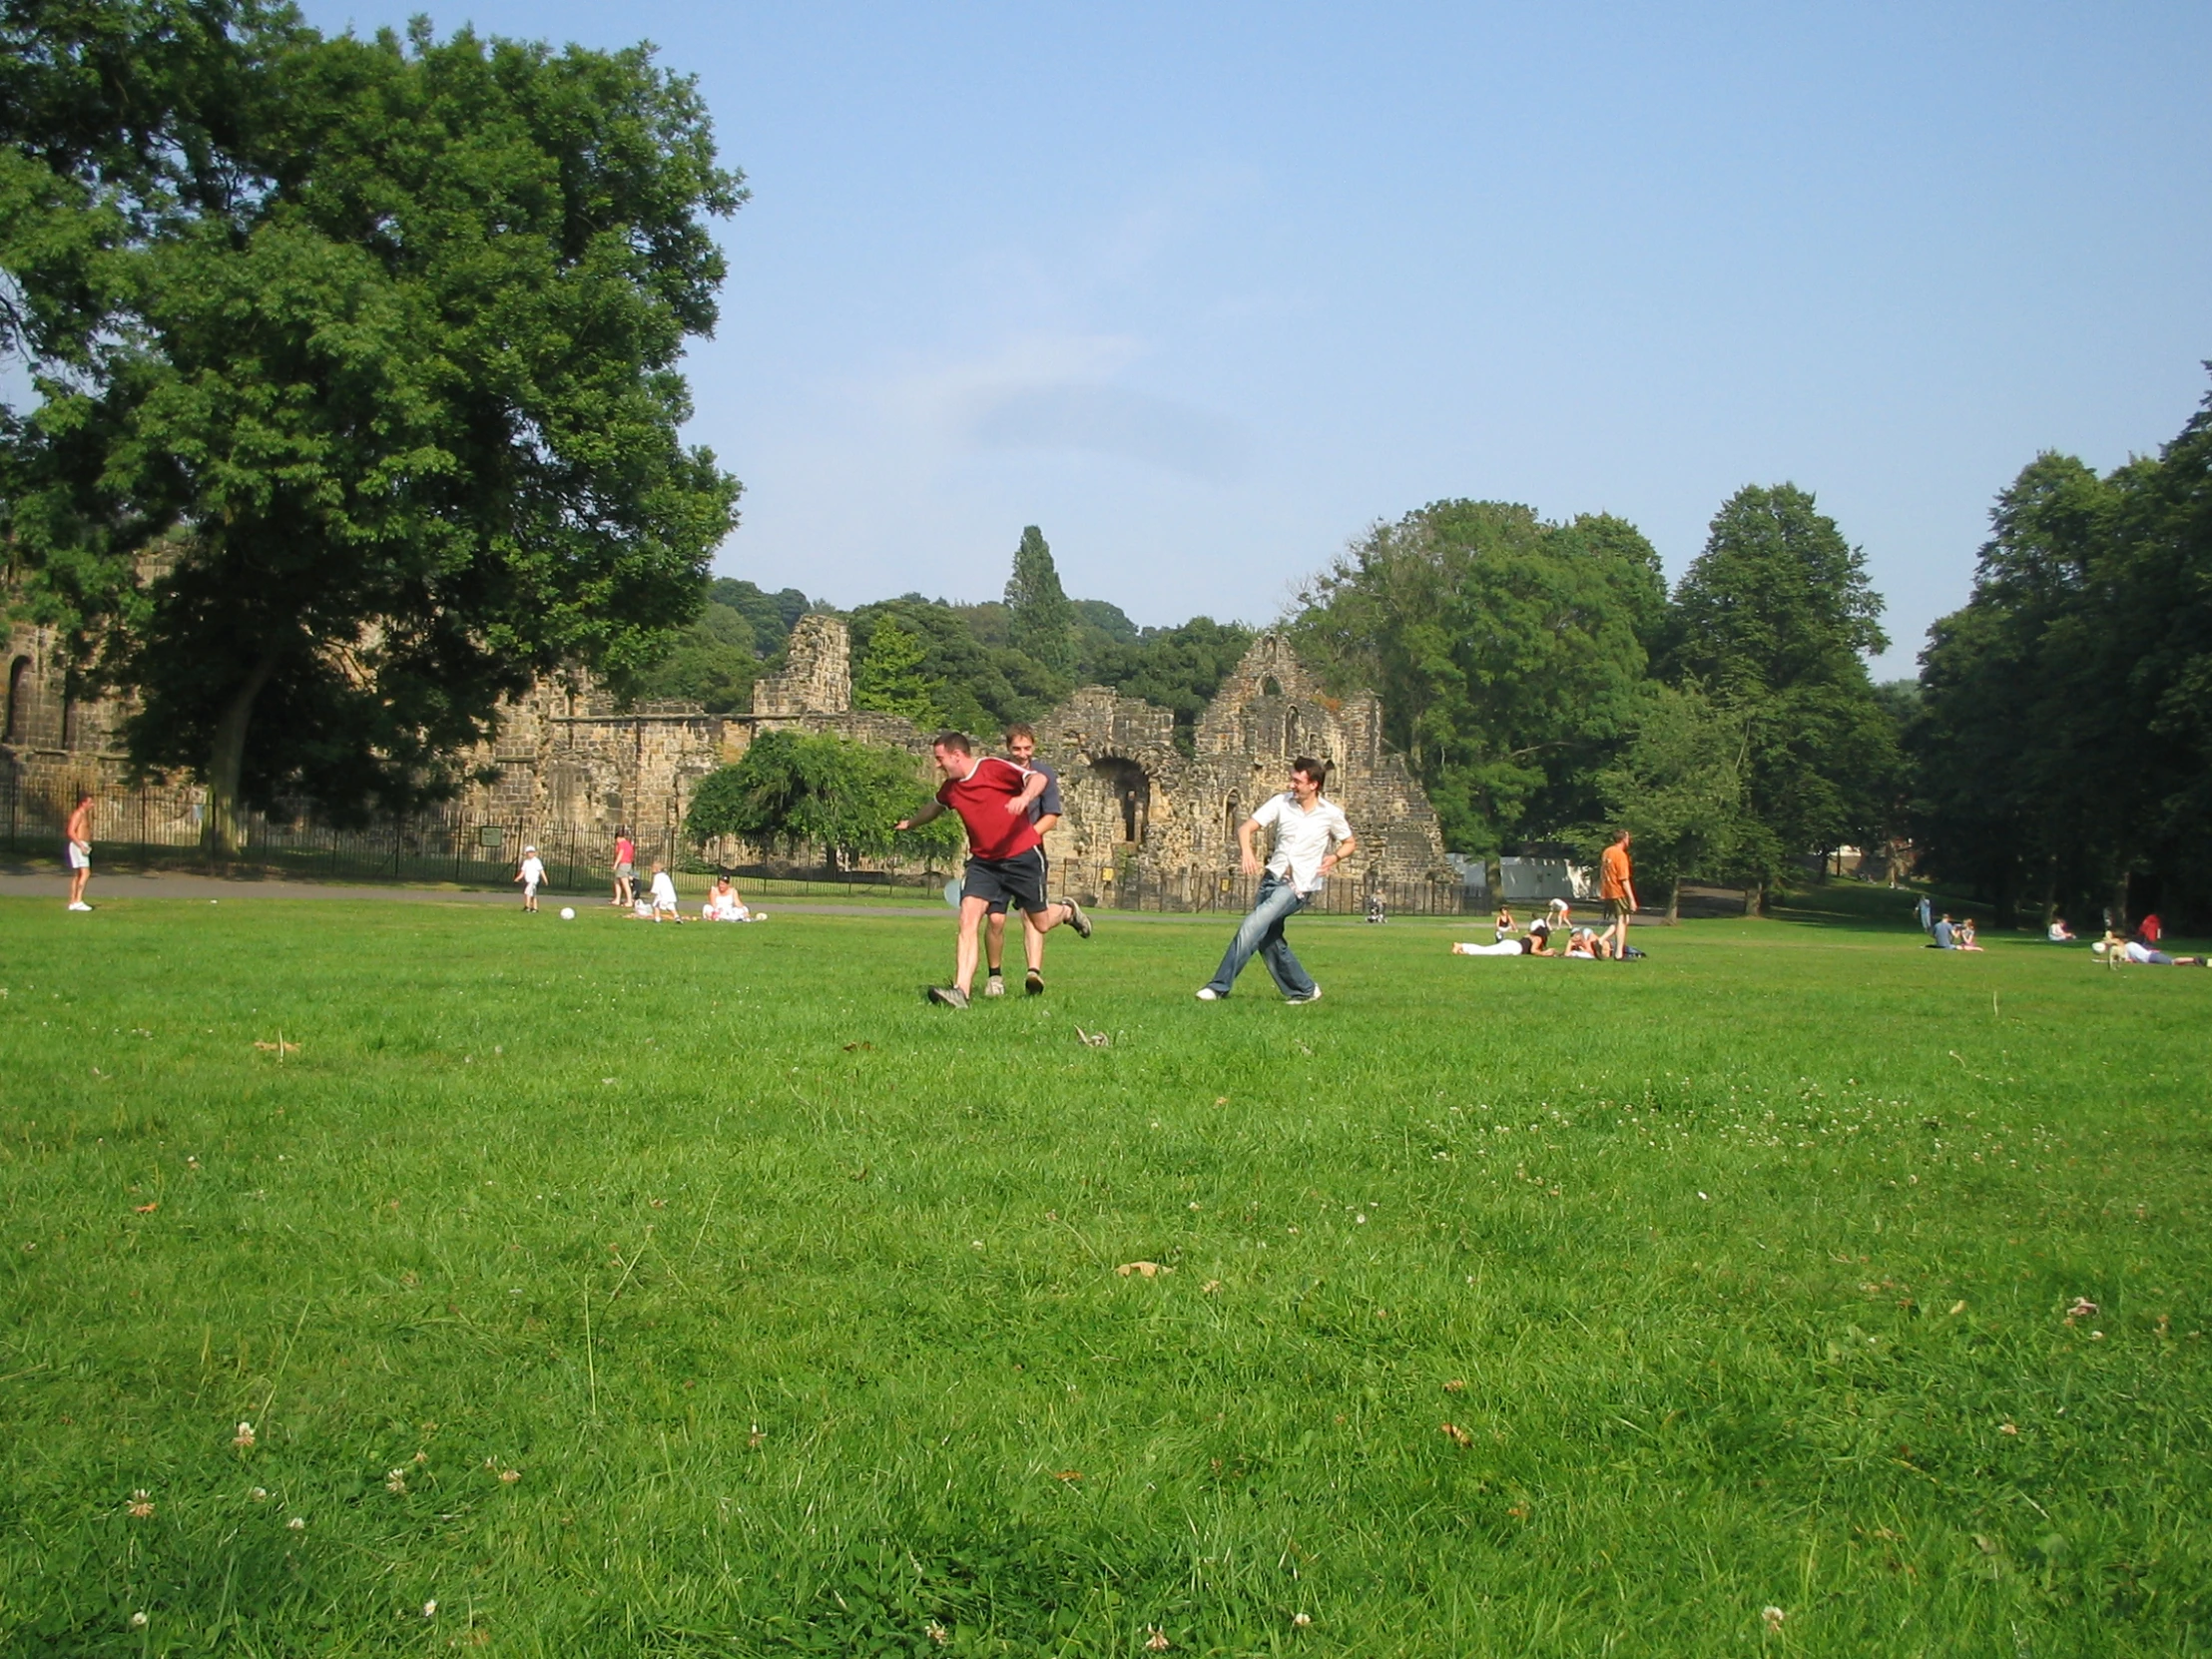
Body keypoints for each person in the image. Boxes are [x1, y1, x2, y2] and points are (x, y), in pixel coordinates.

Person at [896, 731, 1090, 1008]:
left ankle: (1068, 911)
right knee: (967, 919)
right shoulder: (951, 788)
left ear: (956, 755)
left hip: (1021, 856)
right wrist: (911, 823)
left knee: (1041, 923)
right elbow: (935, 807)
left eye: (940, 759)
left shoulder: (991, 768)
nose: (937, 765)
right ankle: (960, 991)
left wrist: (1024, 798)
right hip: (983, 863)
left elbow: (1039, 779)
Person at [1195, 757, 1354, 1003]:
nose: (1292, 785)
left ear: (1313, 784)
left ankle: (1218, 986)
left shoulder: (1330, 814)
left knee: (1252, 925)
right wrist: (1247, 851)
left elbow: (1349, 843)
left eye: (1297, 781)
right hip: (1272, 878)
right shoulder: (1280, 803)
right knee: (1268, 939)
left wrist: (1333, 858)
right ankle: (1305, 989)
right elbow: (1245, 828)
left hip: (1298, 885)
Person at [982, 722, 1064, 996]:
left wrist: (1027, 839)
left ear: (1034, 747)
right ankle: (995, 977)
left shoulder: (1044, 774)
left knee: (1032, 916)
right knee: (995, 919)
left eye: (1027, 748)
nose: (1022, 753)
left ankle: (1034, 973)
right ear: (1007, 748)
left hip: (1029, 854)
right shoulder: (996, 773)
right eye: (1016, 748)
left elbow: (1050, 816)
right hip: (995, 855)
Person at [1598, 830, 1637, 960]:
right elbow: (1624, 879)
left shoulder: (1607, 851)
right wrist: (1632, 899)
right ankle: (1619, 954)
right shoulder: (1620, 855)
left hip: (1608, 889)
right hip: (1617, 890)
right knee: (1622, 919)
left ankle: (1600, 940)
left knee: (1624, 920)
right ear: (1624, 839)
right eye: (1628, 837)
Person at [64, 790, 94, 911]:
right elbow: (70, 831)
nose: (92, 805)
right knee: (86, 873)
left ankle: (73, 901)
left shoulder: (84, 814)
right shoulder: (79, 814)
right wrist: (81, 845)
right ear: (83, 803)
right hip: (79, 844)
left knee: (78, 874)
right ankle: (78, 900)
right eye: (90, 802)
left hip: (81, 844)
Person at [515, 844, 547, 912]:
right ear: (526, 853)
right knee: (533, 895)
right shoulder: (526, 862)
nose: (530, 854)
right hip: (528, 881)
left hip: (533, 881)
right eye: (529, 852)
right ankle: (535, 908)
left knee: (527, 892)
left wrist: (545, 879)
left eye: (532, 852)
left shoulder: (536, 861)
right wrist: (518, 878)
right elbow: (523, 871)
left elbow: (541, 871)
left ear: (534, 853)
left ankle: (527, 907)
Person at [611, 831, 637, 908]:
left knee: (625, 883)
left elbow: (620, 854)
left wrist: (615, 864)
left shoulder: (622, 844)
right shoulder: (628, 844)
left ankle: (629, 901)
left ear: (618, 838)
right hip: (627, 864)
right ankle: (617, 899)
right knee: (616, 881)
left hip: (623, 864)